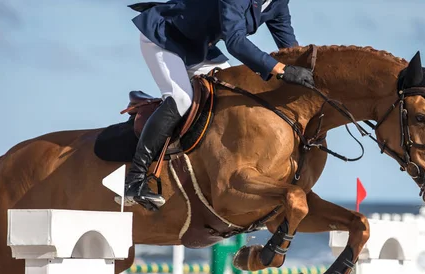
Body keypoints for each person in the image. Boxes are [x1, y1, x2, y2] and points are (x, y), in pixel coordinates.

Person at [123, 0, 316, 211]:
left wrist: (311, 75)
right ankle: (136, 180)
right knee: (181, 99)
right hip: (165, 37)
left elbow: (290, 48)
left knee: (234, 89)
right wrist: (281, 70)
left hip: (201, 47)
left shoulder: (278, 3)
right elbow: (235, 41)